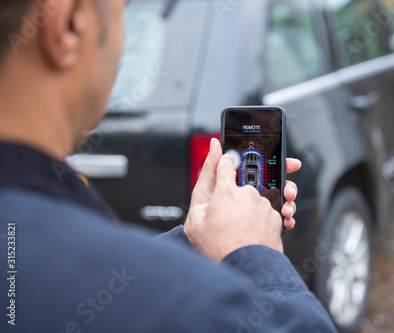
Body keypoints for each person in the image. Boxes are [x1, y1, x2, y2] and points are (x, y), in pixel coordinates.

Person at [0, 0, 337, 332]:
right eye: (124, 13)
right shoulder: (191, 306)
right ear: (71, 22)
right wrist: (256, 255)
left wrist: (193, 239)